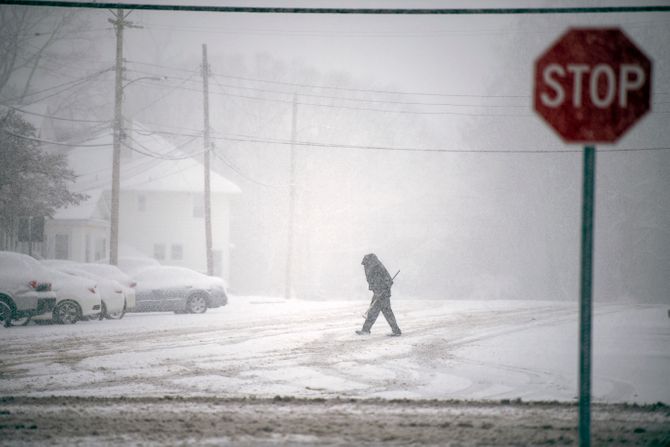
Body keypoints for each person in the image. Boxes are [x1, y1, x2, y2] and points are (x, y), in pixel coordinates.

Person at [356, 253, 401, 336]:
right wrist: (376, 290)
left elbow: (389, 281)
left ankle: (396, 331)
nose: (365, 267)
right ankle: (366, 330)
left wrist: (383, 289)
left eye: (366, 264)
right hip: (377, 293)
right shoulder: (372, 268)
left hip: (383, 294)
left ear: (370, 262)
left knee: (386, 312)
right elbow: (373, 282)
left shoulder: (378, 268)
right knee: (374, 312)